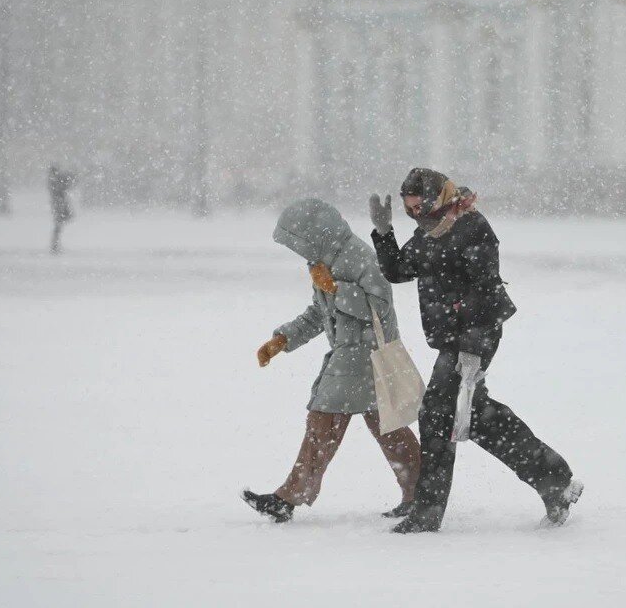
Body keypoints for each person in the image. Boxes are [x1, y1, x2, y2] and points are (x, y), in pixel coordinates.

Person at [369, 168, 582, 533]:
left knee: (436, 414)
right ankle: (555, 478)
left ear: (437, 196)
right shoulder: (429, 231)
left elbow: (485, 290)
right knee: (477, 417)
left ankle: (427, 511)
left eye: (419, 205)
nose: (415, 214)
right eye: (409, 209)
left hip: (476, 334)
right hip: (451, 338)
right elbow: (401, 270)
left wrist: (471, 351)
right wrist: (385, 234)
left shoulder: (471, 226)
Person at [243, 198, 421, 523]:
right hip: (352, 357)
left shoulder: (358, 255)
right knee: (388, 427)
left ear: (314, 234)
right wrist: (283, 340)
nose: (298, 252)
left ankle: (288, 497)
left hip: (363, 356)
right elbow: (319, 313)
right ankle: (421, 493)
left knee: (322, 422)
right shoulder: (323, 260)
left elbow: (379, 305)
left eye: (298, 243)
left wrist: (337, 288)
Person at [47, 164, 75, 254]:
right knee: (58, 224)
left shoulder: (53, 181)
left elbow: (63, 187)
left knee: (58, 224)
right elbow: (63, 188)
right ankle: (55, 244)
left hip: (58, 204)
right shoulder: (55, 181)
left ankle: (55, 244)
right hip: (59, 204)